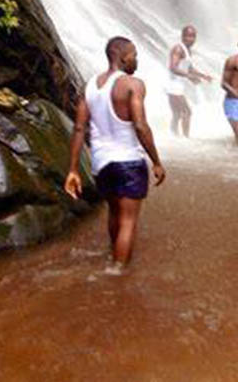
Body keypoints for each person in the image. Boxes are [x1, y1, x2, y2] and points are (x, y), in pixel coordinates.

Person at [64, 36, 166, 274]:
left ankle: (114, 256)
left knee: (114, 213)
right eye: (134, 55)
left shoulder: (89, 86)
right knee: (128, 221)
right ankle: (117, 271)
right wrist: (156, 161)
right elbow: (140, 125)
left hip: (101, 163)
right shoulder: (133, 84)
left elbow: (79, 128)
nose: (136, 60)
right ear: (123, 57)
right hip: (128, 161)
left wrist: (73, 169)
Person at [166, 25, 212, 137]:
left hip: (178, 85)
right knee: (187, 111)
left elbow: (189, 68)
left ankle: (174, 136)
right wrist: (189, 76)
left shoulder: (187, 50)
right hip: (173, 86)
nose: (191, 39)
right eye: (188, 36)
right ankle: (186, 138)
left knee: (177, 113)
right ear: (182, 36)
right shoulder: (178, 49)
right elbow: (173, 67)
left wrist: (203, 76)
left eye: (193, 36)